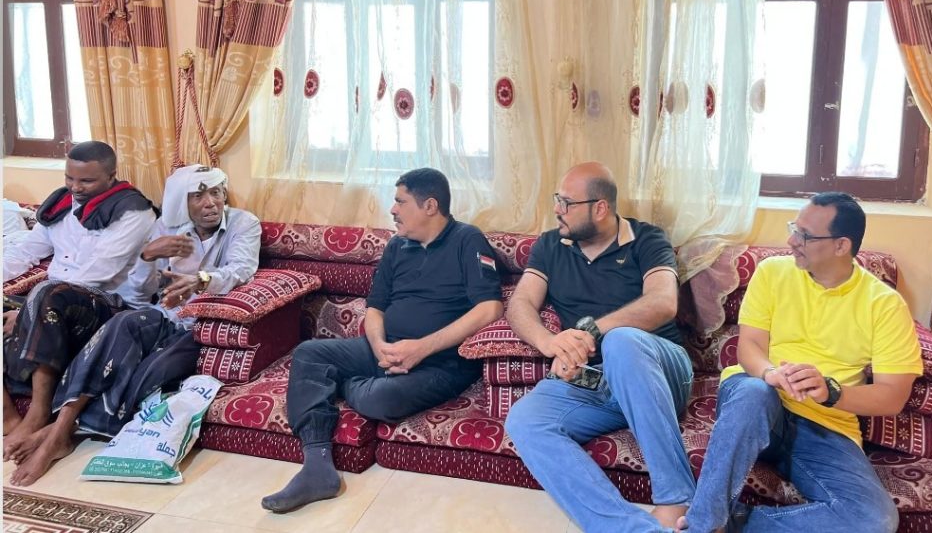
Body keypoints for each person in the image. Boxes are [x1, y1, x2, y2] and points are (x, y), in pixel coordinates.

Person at [261, 168, 504, 513]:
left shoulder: (468, 240)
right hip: (382, 349)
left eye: (400, 202)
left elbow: (491, 308)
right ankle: (317, 466)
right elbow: (375, 307)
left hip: (440, 362)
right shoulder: (397, 246)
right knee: (309, 354)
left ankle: (340, 383)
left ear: (430, 206)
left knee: (381, 398)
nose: (392, 209)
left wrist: (420, 348)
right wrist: (378, 346)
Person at [677, 193, 922, 533]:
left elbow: (892, 397)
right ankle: (702, 525)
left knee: (874, 521)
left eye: (805, 235)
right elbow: (749, 346)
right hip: (755, 401)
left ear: (841, 245)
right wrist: (769, 373)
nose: (791, 241)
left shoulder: (884, 305)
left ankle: (734, 525)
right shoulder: (772, 272)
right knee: (754, 393)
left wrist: (831, 393)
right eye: (794, 228)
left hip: (825, 425)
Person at [7, 164, 261, 486]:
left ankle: (59, 432)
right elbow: (141, 293)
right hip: (159, 315)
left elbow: (240, 269)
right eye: (198, 196)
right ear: (182, 202)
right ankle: (58, 431)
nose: (211, 203)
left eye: (216, 193)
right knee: (122, 325)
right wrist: (147, 258)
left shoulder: (243, 223)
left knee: (150, 373)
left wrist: (201, 280)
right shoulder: (165, 228)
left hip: (195, 326)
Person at [505, 162, 695, 533]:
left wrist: (592, 331)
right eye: (557, 199)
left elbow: (663, 302)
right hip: (596, 379)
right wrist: (551, 343)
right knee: (526, 420)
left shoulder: (647, 240)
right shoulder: (551, 244)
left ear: (600, 208)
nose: (557, 209)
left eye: (566, 202)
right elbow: (520, 303)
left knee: (622, 341)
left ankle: (676, 499)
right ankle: (633, 529)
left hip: (658, 371)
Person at [2, 141, 156, 456]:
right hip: (55, 298)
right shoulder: (60, 205)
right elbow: (26, 252)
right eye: (69, 178)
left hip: (109, 305)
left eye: (86, 181)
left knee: (45, 293)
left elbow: (98, 272)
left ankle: (38, 413)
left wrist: (29, 312)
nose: (75, 187)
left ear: (111, 176)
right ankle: (6, 415)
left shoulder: (133, 212)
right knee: (44, 294)